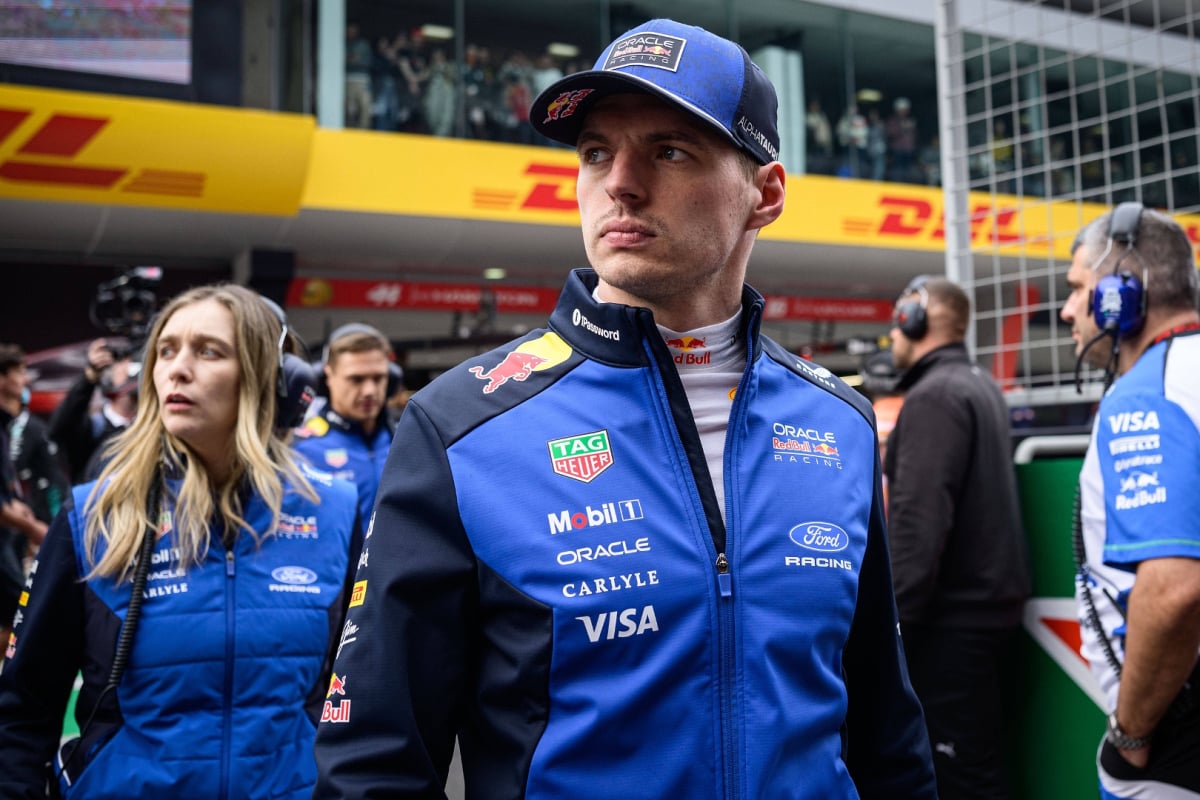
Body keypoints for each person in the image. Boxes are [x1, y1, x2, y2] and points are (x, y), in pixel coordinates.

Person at [313, 19, 936, 799]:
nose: (620, 183)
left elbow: (887, 736)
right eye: (597, 152)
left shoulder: (839, 422)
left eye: (669, 151)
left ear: (765, 194)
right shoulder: (461, 427)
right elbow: (374, 764)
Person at [0, 284, 361, 799]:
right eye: (166, 351)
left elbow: (362, 695)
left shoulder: (336, 512)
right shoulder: (94, 515)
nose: (177, 368)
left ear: (270, 380)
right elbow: (22, 710)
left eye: (208, 351)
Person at [1060, 202, 1200, 798]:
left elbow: (1172, 590)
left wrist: (1132, 737)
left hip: (1176, 729)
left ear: (1121, 294)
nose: (1067, 310)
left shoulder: (1150, 394)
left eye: (1078, 289)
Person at [883, 275, 1031, 800]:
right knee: (978, 767)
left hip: (950, 630)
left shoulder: (935, 396)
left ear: (914, 320)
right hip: (983, 624)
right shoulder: (978, 384)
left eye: (897, 322)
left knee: (958, 778)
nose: (892, 335)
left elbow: (918, 528)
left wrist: (891, 629)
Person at [294, 323, 398, 528]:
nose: (369, 390)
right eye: (356, 379)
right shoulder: (300, 448)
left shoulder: (407, 439)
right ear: (328, 376)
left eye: (378, 378)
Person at [47, 337, 137, 483]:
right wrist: (89, 379)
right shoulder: (94, 428)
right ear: (108, 375)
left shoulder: (148, 427)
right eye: (122, 363)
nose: (131, 369)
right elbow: (59, 428)